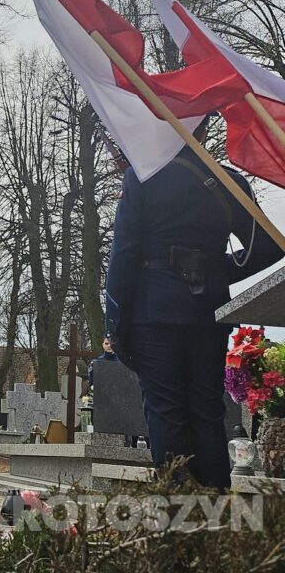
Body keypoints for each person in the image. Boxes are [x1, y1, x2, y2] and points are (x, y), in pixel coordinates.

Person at [105, 117, 282, 489]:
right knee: (208, 412)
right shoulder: (229, 183)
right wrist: (212, 270)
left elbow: (124, 255)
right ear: (203, 130)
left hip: (153, 314)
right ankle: (214, 508)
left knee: (166, 412)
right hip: (209, 314)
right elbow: (268, 246)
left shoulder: (143, 176)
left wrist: (116, 323)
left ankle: (179, 509)